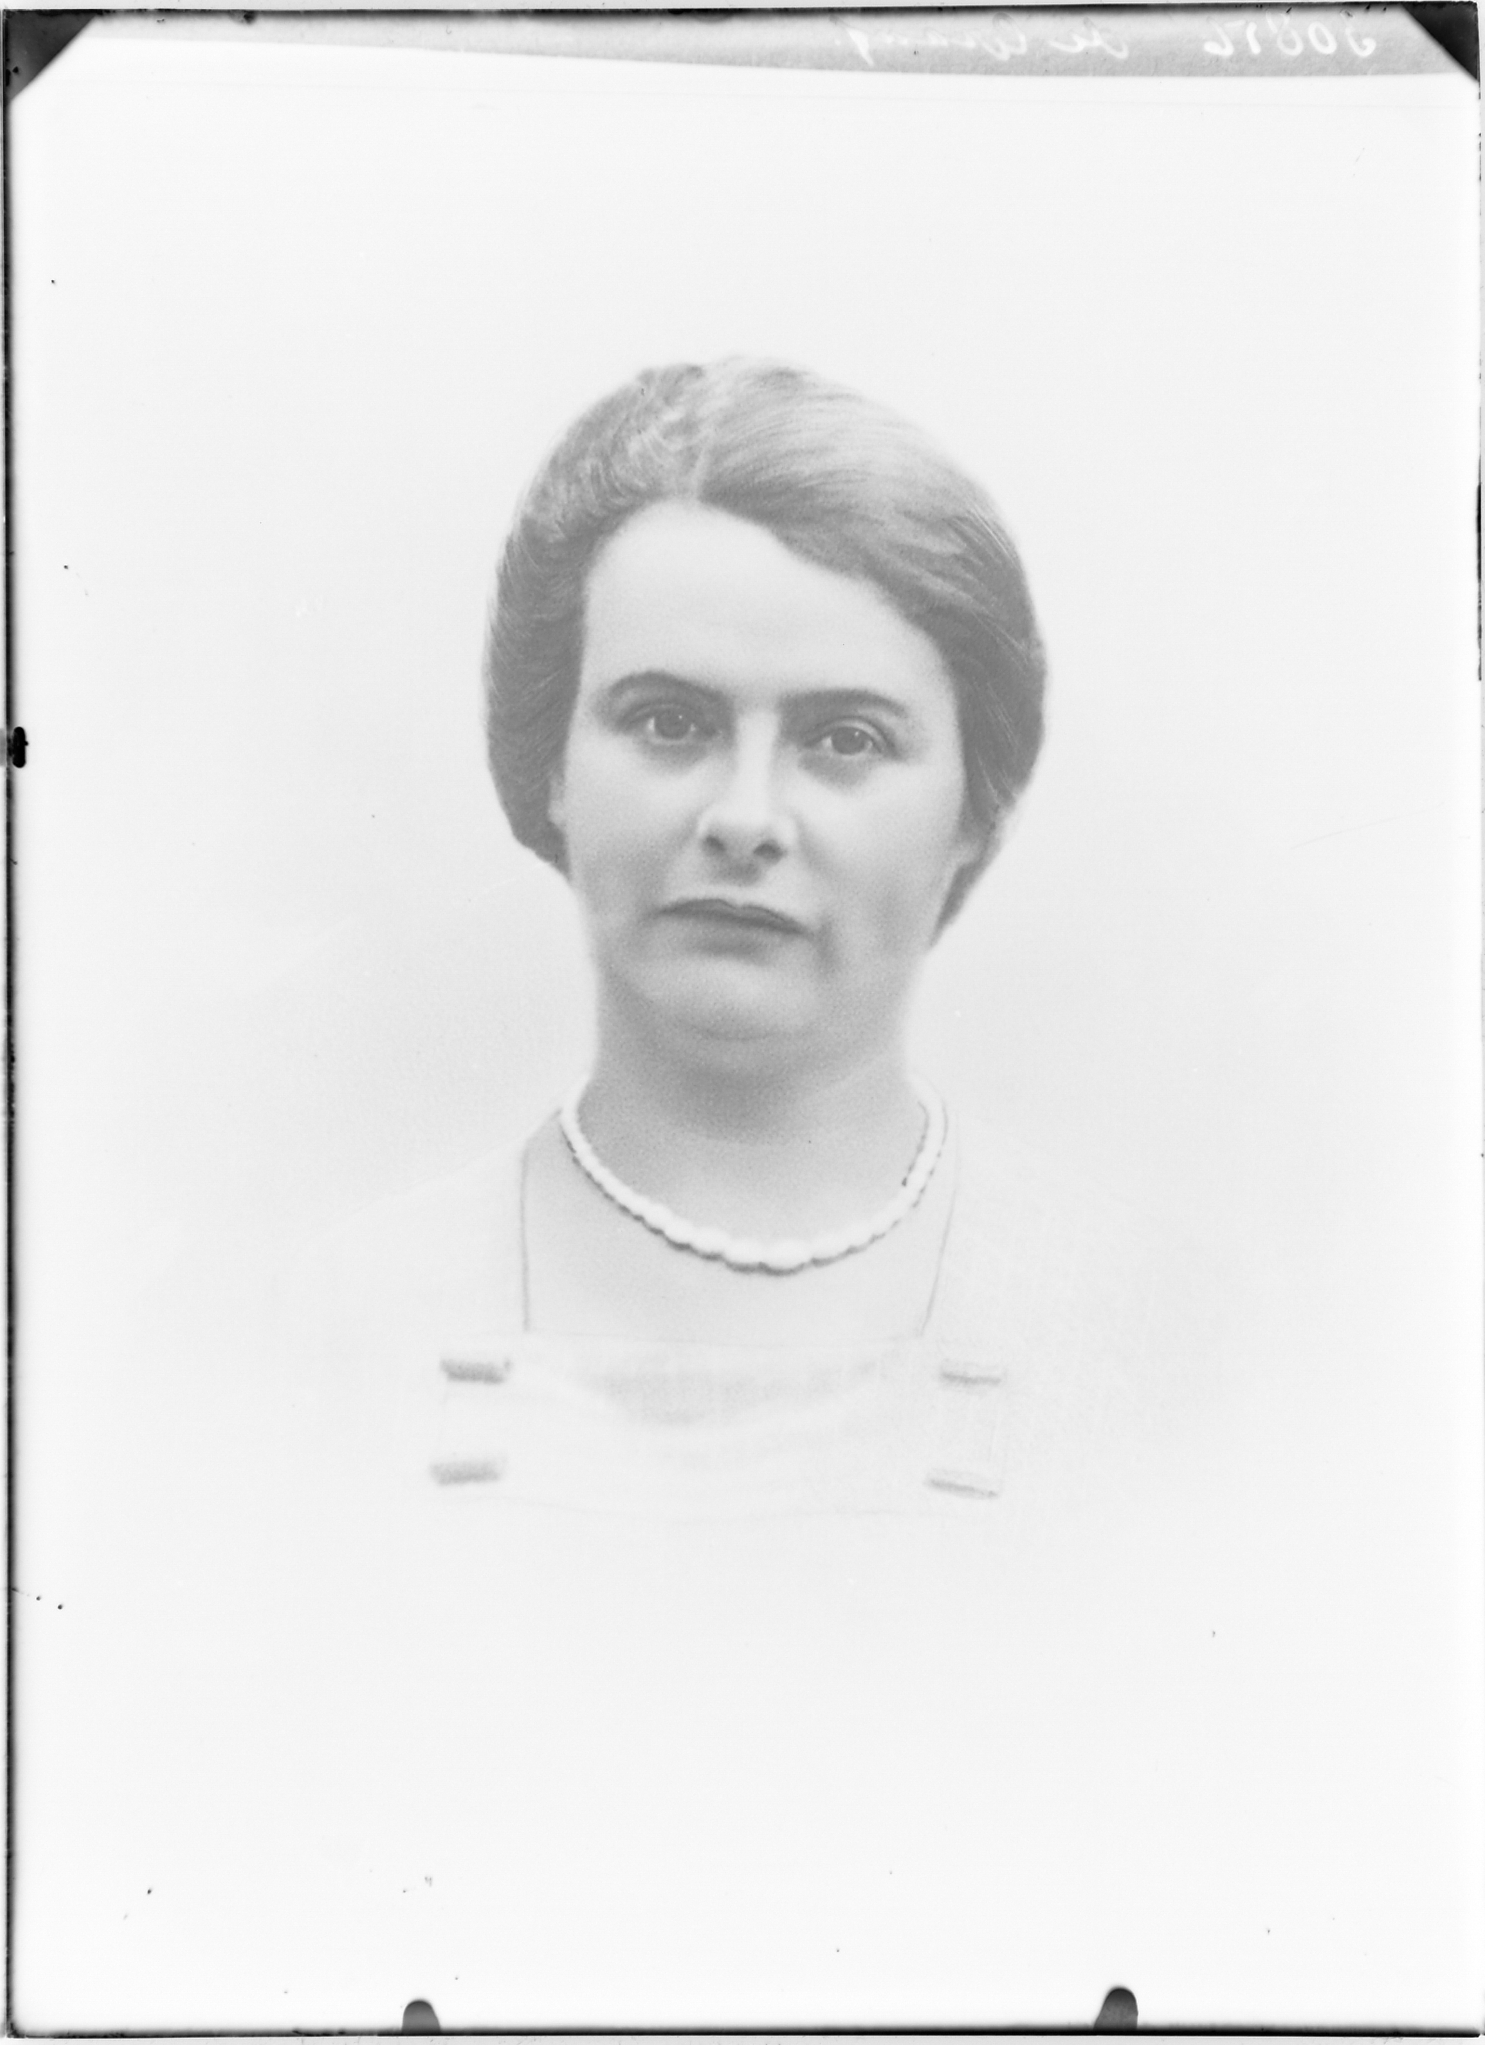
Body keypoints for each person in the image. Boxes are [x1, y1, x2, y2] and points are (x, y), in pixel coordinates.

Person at [305, 358, 1169, 1522]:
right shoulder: (337, 1322)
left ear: (974, 808)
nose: (746, 817)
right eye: (669, 721)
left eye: (846, 738)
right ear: (552, 764)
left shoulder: (1144, 1341)